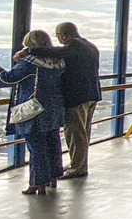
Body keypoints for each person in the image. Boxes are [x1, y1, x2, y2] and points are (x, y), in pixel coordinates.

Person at [15, 22, 100, 180]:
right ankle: (78, 162)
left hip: (76, 97)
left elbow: (57, 51)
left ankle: (78, 167)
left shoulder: (74, 46)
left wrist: (28, 50)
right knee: (83, 133)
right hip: (91, 94)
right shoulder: (89, 45)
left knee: (75, 134)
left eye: (58, 36)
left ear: (63, 35)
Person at [0, 31, 65, 194]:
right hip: (55, 107)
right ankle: (53, 177)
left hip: (34, 109)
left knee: (36, 146)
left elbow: (9, 77)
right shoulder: (59, 60)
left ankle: (37, 183)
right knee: (52, 142)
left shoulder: (30, 62)